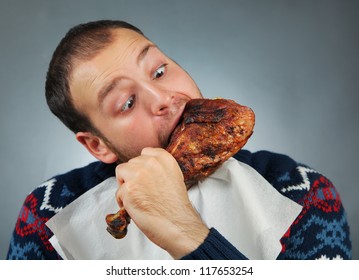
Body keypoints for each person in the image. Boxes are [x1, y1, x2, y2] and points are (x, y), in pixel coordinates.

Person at [7, 20, 351, 260]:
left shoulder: (301, 191)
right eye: (127, 103)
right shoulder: (47, 215)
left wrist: (186, 234)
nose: (162, 97)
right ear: (99, 145)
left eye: (159, 71)